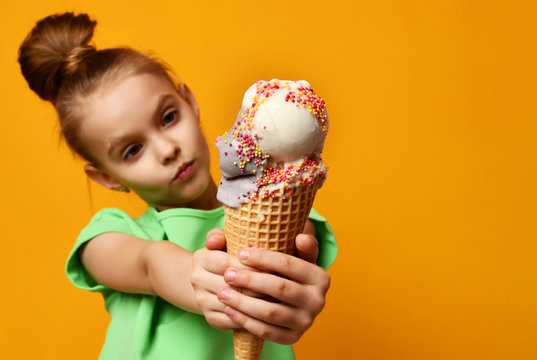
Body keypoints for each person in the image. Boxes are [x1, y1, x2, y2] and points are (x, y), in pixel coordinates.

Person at [18, 12, 338, 360]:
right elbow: (150, 265)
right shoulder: (111, 237)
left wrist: (291, 293)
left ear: (190, 102)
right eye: (132, 150)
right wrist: (194, 277)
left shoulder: (288, 215)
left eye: (168, 117)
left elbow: (300, 244)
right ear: (107, 177)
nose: (167, 149)